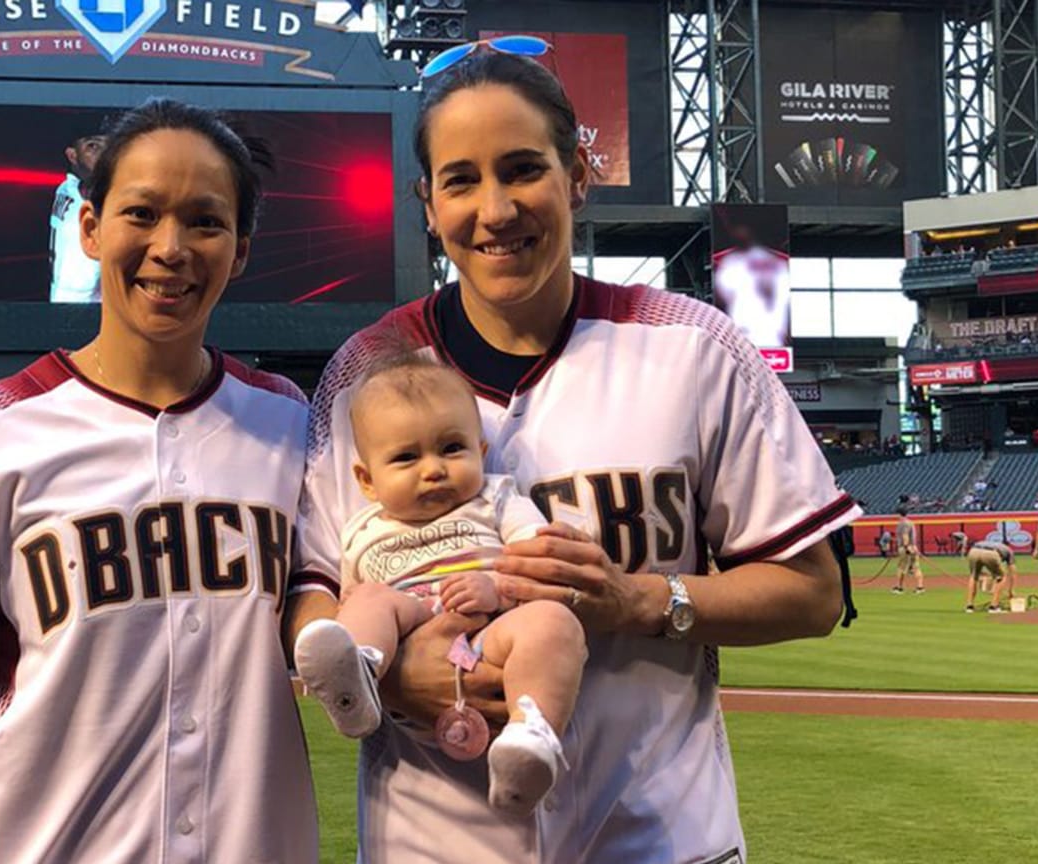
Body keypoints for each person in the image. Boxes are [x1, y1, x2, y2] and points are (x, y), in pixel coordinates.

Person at [286, 48, 855, 863]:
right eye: (460, 180)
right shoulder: (364, 372)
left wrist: (640, 601)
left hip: (659, 838)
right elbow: (309, 596)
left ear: (578, 174)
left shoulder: (694, 347)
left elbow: (813, 591)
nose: (495, 210)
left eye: (523, 170)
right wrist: (384, 671)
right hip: (434, 842)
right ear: (427, 201)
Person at [0, 99, 319, 863]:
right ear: (91, 229)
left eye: (206, 221)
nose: (171, 247)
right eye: (142, 213)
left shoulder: (287, 421)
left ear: (240, 250)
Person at [293, 356, 586, 815]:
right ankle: (358, 674)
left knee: (553, 622)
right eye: (407, 457)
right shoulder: (361, 529)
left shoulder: (497, 497)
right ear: (367, 481)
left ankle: (531, 737)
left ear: (481, 449)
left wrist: (498, 586)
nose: (433, 469)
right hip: (411, 638)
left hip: (490, 636)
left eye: (452, 449)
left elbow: (541, 564)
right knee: (368, 601)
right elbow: (349, 597)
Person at [49, 132, 107, 304]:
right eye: (93, 146)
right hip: (60, 305)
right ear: (73, 155)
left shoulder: (117, 204)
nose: (104, 154)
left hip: (94, 313)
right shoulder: (65, 189)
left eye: (110, 146)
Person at [965, 539, 1017, 613]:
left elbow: (986, 569)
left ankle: (969, 606)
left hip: (973, 550)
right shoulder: (1009, 551)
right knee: (1002, 577)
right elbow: (1012, 572)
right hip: (991, 553)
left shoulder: (992, 544)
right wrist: (1011, 590)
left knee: (973, 576)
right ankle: (994, 606)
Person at [891, 507, 924, 594]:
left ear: (899, 514)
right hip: (913, 547)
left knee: (901, 567)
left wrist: (906, 547)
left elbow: (905, 536)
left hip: (906, 548)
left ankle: (899, 587)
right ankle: (920, 587)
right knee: (916, 566)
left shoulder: (903, 524)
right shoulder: (910, 522)